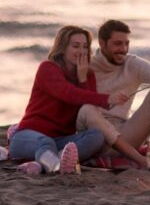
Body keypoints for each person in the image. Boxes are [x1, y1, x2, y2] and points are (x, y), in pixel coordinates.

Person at [8, 26, 128, 174]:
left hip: (60, 140)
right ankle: (55, 167)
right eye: (75, 46)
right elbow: (69, 94)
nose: (81, 51)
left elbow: (87, 108)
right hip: (28, 136)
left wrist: (83, 79)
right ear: (63, 48)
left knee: (96, 136)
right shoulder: (47, 68)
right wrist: (107, 98)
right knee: (45, 142)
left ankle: (46, 163)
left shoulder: (87, 75)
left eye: (85, 47)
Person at [77, 19, 150, 168]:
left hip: (125, 138)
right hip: (95, 139)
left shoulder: (132, 64)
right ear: (102, 43)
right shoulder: (85, 65)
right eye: (118, 44)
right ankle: (143, 161)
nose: (123, 49)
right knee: (87, 108)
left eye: (126, 44)